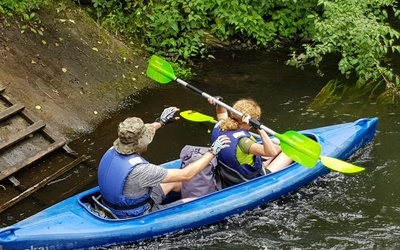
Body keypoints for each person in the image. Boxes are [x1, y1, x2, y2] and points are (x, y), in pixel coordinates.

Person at [97, 107, 230, 218]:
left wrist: (161, 121)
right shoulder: (142, 170)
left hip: (116, 203)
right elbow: (186, 174)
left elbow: (135, 134)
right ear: (141, 144)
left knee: (177, 182)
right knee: (197, 201)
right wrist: (212, 151)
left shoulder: (113, 148)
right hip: (137, 214)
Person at [208, 98, 292, 188]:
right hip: (250, 179)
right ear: (251, 122)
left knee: (277, 145)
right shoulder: (244, 142)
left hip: (229, 175)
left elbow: (221, 113)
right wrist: (259, 128)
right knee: (289, 149)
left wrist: (220, 103)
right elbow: (271, 153)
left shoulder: (220, 125)